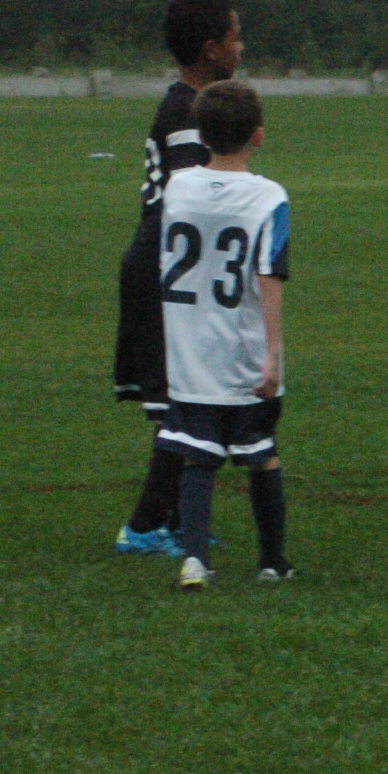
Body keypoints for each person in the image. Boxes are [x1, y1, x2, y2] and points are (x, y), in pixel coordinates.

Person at [112, 0, 244, 555]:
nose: (241, 48)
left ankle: (172, 519)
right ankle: (145, 527)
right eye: (235, 38)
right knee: (184, 402)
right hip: (166, 267)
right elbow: (194, 203)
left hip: (171, 263)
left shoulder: (189, 105)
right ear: (212, 50)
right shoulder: (190, 115)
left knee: (189, 399)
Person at [153, 81, 294, 590]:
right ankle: (272, 562)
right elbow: (270, 276)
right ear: (258, 136)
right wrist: (272, 356)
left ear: (201, 135)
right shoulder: (269, 197)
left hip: (189, 352)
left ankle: (195, 560)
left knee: (197, 454)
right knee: (262, 453)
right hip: (244, 352)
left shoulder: (177, 187)